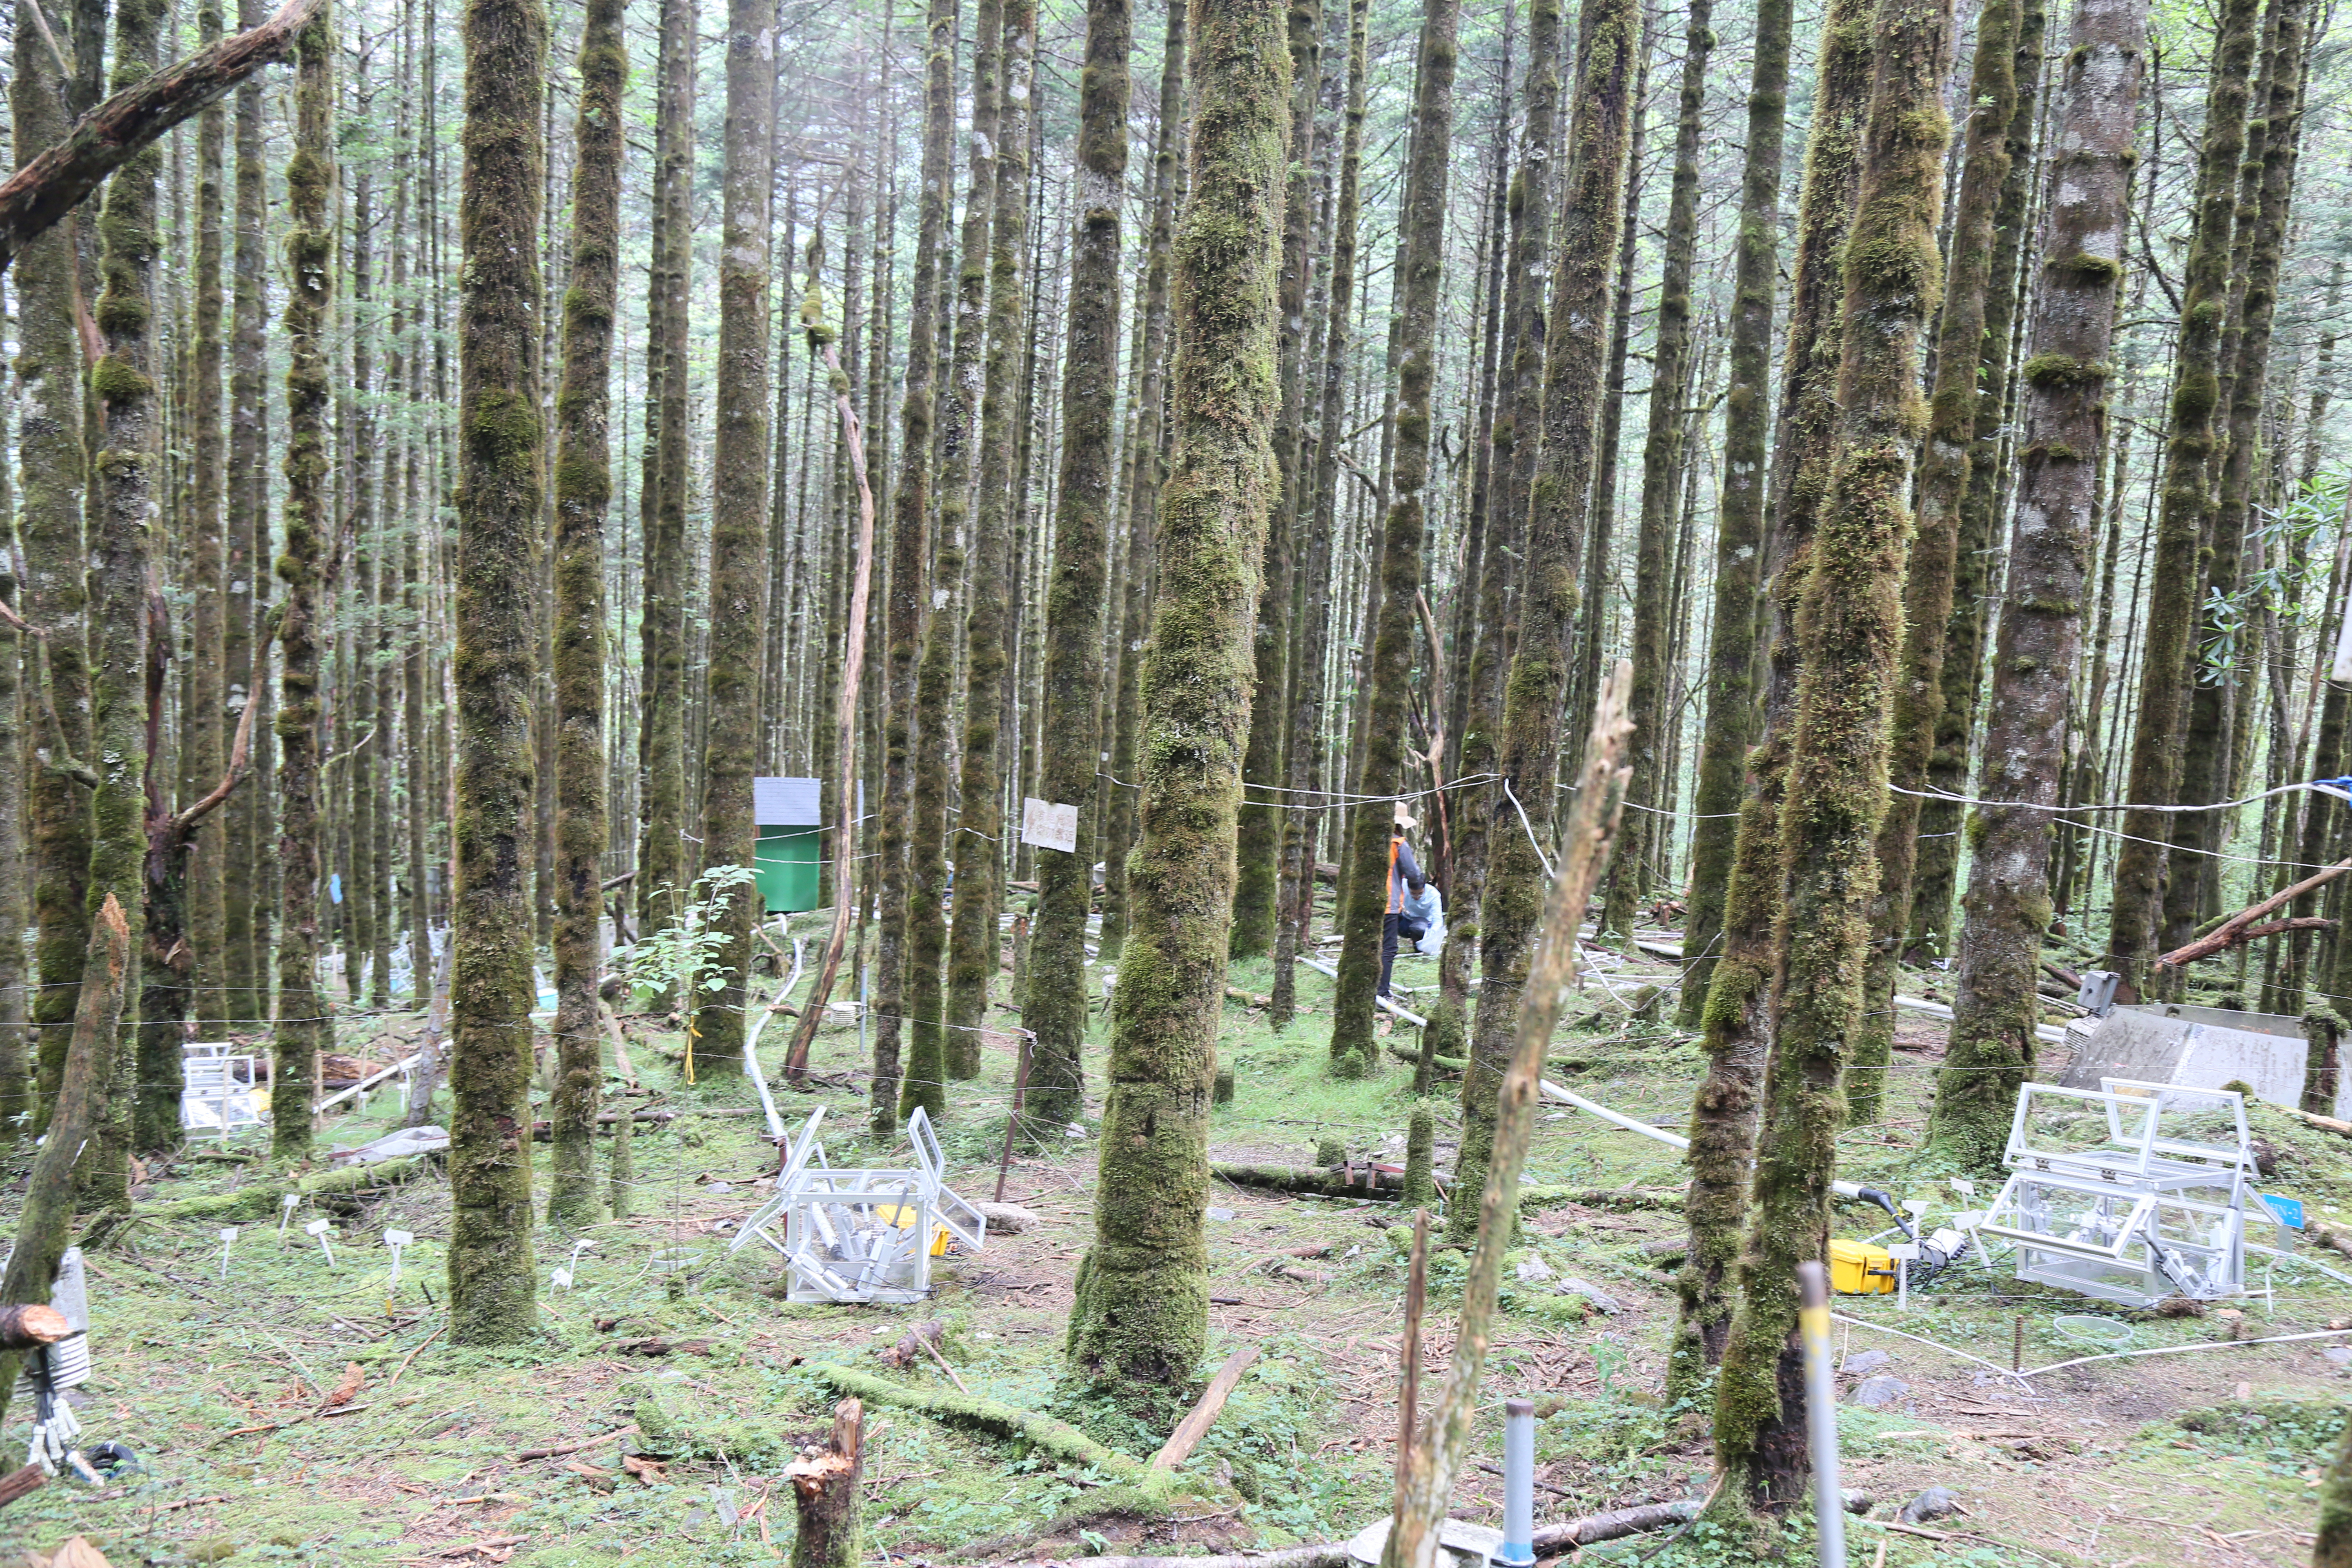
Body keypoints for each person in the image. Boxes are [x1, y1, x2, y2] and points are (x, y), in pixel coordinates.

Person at [1381, 803, 1428, 999]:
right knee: (1388, 948)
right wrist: (1418, 889)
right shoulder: (1398, 843)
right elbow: (1413, 874)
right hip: (1388, 904)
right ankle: (1382, 993)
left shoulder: (1366, 840)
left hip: (1363, 904)